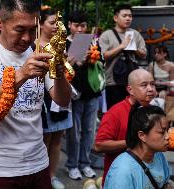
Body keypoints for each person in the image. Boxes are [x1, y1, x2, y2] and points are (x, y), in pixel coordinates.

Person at [0, 0, 71, 188]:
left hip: (38, 163)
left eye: (33, 29)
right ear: (0, 23)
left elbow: (62, 99)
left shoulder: (40, 52)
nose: (27, 38)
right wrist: (22, 73)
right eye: (19, 30)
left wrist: (59, 73)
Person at [94, 69, 156, 185]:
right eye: (144, 85)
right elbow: (99, 145)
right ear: (130, 90)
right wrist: (132, 142)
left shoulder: (154, 112)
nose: (150, 89)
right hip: (120, 181)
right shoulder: (115, 112)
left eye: (152, 84)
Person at [65, 10, 101, 180]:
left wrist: (92, 58)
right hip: (75, 93)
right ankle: (72, 165)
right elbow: (65, 68)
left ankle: (85, 163)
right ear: (69, 25)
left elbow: (99, 61)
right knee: (74, 132)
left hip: (92, 92)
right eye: (76, 25)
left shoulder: (92, 41)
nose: (80, 29)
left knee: (89, 130)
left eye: (83, 25)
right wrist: (76, 60)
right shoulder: (63, 44)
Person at [39, 7, 72, 189]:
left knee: (57, 139)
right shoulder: (34, 45)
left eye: (58, 23)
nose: (56, 26)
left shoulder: (61, 44)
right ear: (41, 23)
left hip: (61, 95)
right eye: (52, 22)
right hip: (44, 99)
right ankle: (42, 176)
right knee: (45, 140)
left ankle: (51, 176)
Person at [104, 105, 170, 188]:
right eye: (162, 132)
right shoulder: (122, 171)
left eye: (167, 131)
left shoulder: (158, 155)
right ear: (142, 136)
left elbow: (165, 184)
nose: (167, 137)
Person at [99, 4, 147, 110]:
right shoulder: (107, 35)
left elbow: (144, 54)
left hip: (133, 82)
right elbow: (103, 56)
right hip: (113, 82)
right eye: (124, 16)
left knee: (134, 112)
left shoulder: (135, 34)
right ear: (116, 18)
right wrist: (121, 46)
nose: (128, 18)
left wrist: (135, 49)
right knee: (116, 112)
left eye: (130, 16)